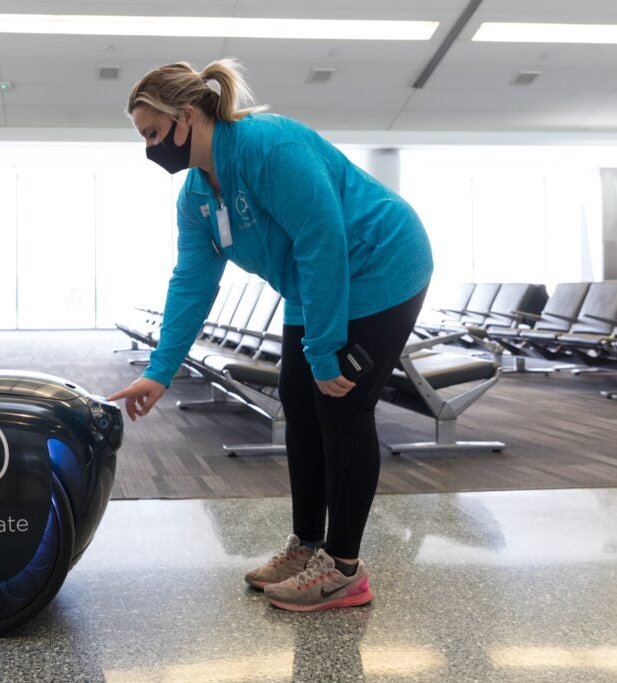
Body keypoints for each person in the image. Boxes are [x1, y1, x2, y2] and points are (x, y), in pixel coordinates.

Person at [107, 58, 433, 612]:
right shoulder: (196, 196)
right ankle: (307, 546)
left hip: (381, 264)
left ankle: (344, 570)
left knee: (341, 406)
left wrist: (324, 351)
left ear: (187, 117)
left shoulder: (268, 147)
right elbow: (192, 282)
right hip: (313, 281)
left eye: (153, 133)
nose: (150, 148)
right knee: (297, 401)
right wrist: (159, 371)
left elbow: (323, 240)